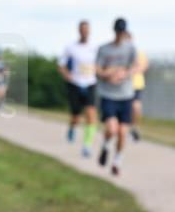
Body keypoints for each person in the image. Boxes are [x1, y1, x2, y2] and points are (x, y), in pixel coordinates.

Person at [95, 18, 138, 176]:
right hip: (108, 94)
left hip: (125, 95)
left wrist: (125, 74)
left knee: (122, 132)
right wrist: (109, 74)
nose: (121, 34)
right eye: (118, 31)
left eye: (123, 32)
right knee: (112, 129)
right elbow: (97, 69)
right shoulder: (104, 49)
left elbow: (136, 66)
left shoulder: (131, 48)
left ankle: (117, 161)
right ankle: (106, 146)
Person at [58, 21, 99, 157]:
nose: (85, 32)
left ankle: (87, 145)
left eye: (87, 30)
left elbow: (100, 65)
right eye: (83, 30)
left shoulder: (95, 48)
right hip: (75, 83)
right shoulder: (71, 47)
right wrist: (67, 76)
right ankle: (72, 127)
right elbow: (61, 65)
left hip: (90, 83)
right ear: (79, 31)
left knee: (91, 113)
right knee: (76, 116)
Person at [128, 33, 149, 141]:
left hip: (136, 84)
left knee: (136, 107)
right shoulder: (121, 53)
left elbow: (145, 65)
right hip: (123, 86)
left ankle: (134, 127)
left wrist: (133, 71)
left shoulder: (139, 53)